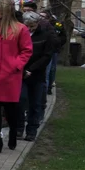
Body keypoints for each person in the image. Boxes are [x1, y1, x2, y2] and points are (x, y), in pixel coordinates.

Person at [0, 0, 32, 154]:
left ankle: (13, 131)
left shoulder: (20, 29)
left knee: (11, 108)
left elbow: (26, 50)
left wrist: (16, 65)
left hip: (10, 75)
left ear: (5, 11)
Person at [19, 11, 55, 141]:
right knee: (21, 100)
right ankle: (19, 127)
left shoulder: (45, 36)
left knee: (35, 103)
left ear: (37, 24)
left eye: (32, 26)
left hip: (37, 74)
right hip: (21, 73)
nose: (29, 29)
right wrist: (22, 69)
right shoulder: (20, 35)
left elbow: (47, 55)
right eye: (27, 26)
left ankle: (32, 130)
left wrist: (32, 69)